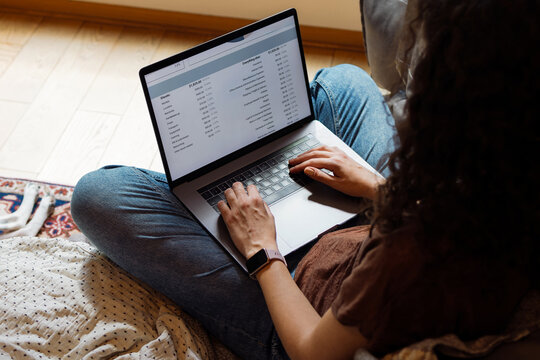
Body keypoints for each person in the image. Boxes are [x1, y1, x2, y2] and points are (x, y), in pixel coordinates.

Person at [71, 0, 539, 358]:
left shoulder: (408, 255)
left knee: (99, 194)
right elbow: (451, 218)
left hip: (300, 310)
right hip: (370, 235)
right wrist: (379, 189)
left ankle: (246, 210)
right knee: (345, 82)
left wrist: (263, 250)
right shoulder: (506, 186)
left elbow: (312, 350)